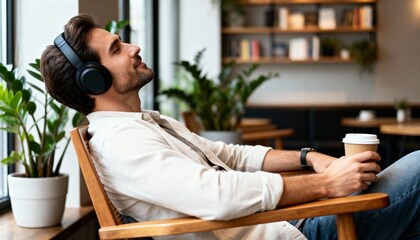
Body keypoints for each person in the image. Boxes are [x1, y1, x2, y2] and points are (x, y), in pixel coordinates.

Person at [41, 14, 419, 240]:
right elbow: (217, 195)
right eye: (117, 49)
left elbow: (231, 155)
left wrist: (311, 158)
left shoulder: (147, 123)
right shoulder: (120, 143)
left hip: (294, 217)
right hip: (286, 232)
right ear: (93, 81)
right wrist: (329, 184)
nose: (134, 48)